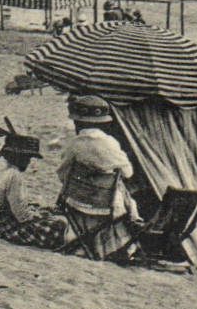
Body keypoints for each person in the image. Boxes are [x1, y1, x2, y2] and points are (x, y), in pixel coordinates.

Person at [54, 96, 138, 261]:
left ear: (79, 122)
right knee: (123, 194)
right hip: (107, 204)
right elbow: (128, 173)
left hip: (78, 202)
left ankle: (81, 244)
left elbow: (62, 173)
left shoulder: (75, 144)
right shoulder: (111, 143)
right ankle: (116, 245)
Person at [0, 123, 64, 249]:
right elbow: (21, 214)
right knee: (57, 228)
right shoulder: (14, 176)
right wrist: (36, 216)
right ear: (19, 158)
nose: (28, 162)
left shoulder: (7, 172)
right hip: (6, 225)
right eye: (26, 158)